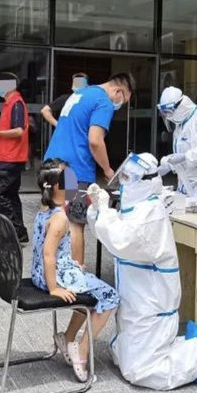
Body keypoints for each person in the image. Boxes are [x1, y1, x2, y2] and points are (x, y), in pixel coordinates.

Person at [86, 153, 197, 390]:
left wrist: (105, 211)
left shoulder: (150, 212)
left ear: (145, 180)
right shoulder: (135, 207)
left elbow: (122, 240)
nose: (123, 182)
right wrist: (97, 210)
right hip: (136, 297)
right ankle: (186, 345)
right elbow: (108, 233)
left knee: (141, 372)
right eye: (122, 176)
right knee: (123, 356)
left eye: (127, 177)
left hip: (152, 301)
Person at [33, 160, 119, 382]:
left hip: (43, 273)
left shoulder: (45, 209)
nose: (72, 179)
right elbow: (48, 254)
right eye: (66, 177)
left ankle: (67, 337)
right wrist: (54, 288)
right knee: (110, 296)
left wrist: (71, 265)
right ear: (55, 187)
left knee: (88, 287)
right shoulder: (60, 218)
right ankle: (81, 349)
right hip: (52, 277)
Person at [44, 72, 135, 266]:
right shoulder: (103, 102)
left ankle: (48, 270)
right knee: (75, 224)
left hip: (51, 164)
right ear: (118, 91)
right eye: (123, 100)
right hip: (73, 169)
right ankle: (75, 277)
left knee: (51, 217)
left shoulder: (82, 93)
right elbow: (95, 141)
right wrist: (108, 170)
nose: (120, 106)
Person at [0, 72, 29, 244]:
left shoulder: (16, 104)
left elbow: (18, 130)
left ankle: (12, 230)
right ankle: (20, 233)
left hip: (11, 158)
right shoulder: (9, 104)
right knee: (11, 195)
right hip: (6, 157)